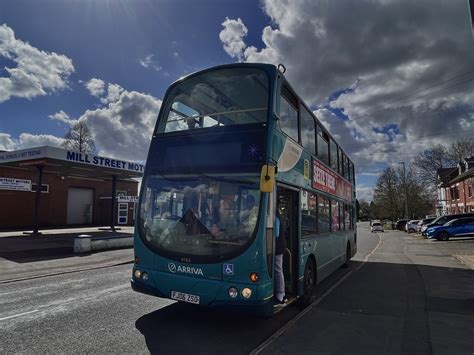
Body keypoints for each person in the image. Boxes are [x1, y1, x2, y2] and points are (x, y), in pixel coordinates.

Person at [274, 207, 287, 306]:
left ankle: (280, 297)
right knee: (278, 270)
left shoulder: (276, 218)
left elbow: (276, 234)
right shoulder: (280, 217)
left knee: (278, 270)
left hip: (277, 247)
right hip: (280, 246)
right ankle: (281, 294)